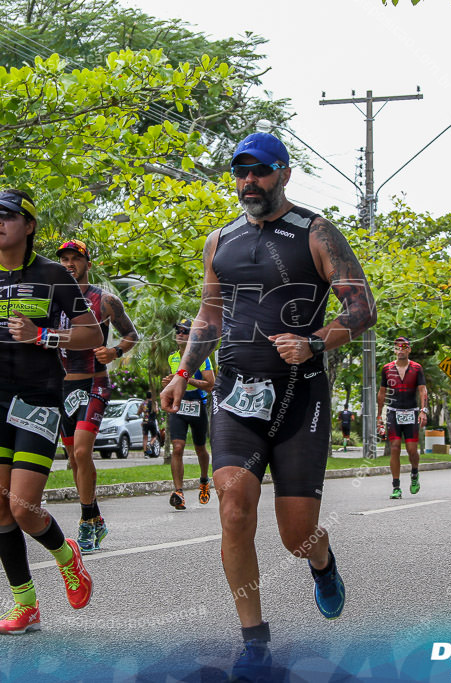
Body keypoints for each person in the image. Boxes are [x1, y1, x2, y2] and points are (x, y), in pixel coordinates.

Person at [161, 131, 376, 678]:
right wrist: (184, 373)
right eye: (240, 171)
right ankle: (254, 638)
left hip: (300, 395)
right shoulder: (220, 241)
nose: (247, 181)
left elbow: (362, 306)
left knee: (296, 535)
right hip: (236, 393)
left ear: (282, 173)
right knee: (233, 502)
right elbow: (208, 317)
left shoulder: (316, 232)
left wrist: (316, 341)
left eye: (258, 171)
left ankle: (322, 563)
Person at [0, 189, 102, 635]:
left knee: (23, 506)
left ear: (29, 225)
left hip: (39, 395)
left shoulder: (55, 275)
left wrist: (43, 335)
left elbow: (91, 334)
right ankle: (26, 605)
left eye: (7, 216)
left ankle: (65, 555)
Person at [56, 238, 140, 553]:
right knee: (73, 459)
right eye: (63, 260)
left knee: (81, 453)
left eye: (74, 259)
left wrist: (115, 350)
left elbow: (132, 334)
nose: (68, 264)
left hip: (94, 382)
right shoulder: (53, 301)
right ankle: (95, 518)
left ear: (87, 264)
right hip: (63, 387)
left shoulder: (104, 300)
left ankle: (86, 521)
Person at [160, 319, 214, 509]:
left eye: (185, 331)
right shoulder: (173, 358)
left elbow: (210, 385)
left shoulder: (202, 357)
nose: (180, 334)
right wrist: (169, 382)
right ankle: (178, 492)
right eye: (178, 331)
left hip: (197, 405)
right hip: (178, 405)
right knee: (177, 447)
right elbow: (175, 382)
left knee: (200, 448)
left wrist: (187, 380)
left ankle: (204, 480)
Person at [376, 337, 428, 500]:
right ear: (394, 350)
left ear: (409, 350)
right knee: (395, 446)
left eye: (404, 347)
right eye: (398, 347)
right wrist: (380, 415)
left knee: (412, 450)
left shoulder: (416, 368)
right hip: (393, 412)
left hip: (411, 412)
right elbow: (382, 393)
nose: (401, 350)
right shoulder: (387, 369)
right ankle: (396, 486)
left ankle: (414, 473)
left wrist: (423, 410)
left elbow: (422, 390)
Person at [140, 391, 161, 457]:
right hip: (152, 421)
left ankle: (145, 453)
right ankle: (150, 444)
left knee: (145, 438)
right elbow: (156, 411)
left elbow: (140, 411)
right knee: (154, 436)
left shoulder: (144, 403)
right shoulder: (154, 403)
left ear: (146, 396)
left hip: (145, 421)